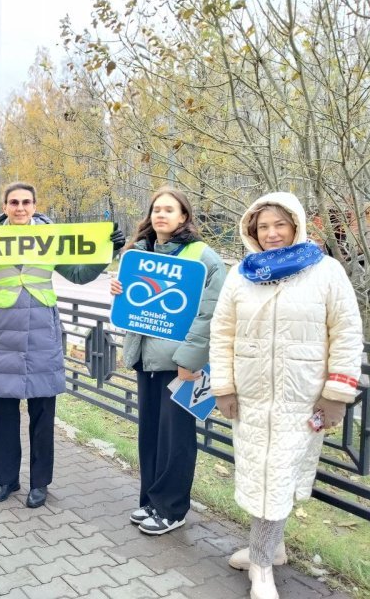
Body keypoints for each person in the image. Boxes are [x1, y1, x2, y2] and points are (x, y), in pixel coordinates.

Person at [210, 192, 363, 599]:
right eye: (263, 227)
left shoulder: (326, 271)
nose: (271, 233)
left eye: (279, 224)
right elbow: (222, 333)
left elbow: (346, 332)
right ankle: (272, 548)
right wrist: (223, 387)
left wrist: (336, 393)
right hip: (253, 398)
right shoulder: (241, 273)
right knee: (259, 475)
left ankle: (261, 567)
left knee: (277, 476)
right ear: (251, 231)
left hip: (302, 399)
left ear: (295, 225)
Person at [0, 181, 125, 508]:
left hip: (42, 331)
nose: (19, 208)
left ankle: (39, 483)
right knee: (3, 414)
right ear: (4, 206)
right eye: (13, 202)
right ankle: (7, 480)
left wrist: (106, 251)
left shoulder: (50, 237)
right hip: (3, 335)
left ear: (34, 205)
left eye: (26, 202)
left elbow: (78, 274)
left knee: (43, 413)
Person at [110, 186, 226, 535]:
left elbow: (211, 313)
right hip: (146, 359)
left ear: (184, 217)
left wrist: (189, 360)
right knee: (151, 435)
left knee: (176, 439)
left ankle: (172, 509)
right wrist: (118, 290)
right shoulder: (141, 251)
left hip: (182, 365)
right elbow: (132, 306)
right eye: (156, 209)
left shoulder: (203, 256)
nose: (161, 215)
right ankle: (150, 501)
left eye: (169, 210)